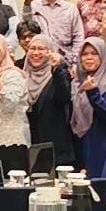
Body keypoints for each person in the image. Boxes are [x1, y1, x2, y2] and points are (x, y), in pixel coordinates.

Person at [72, 37, 106, 178]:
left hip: (103, 144)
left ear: (103, 56)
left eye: (94, 54)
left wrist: (93, 92)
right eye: (85, 54)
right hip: (82, 144)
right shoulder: (78, 82)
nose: (89, 58)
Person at [23, 33, 75, 165]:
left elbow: (64, 97)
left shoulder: (58, 74)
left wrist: (58, 68)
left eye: (41, 49)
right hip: (30, 147)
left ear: (50, 52)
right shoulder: (22, 76)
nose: (36, 53)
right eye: (32, 48)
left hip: (55, 148)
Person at [22, 0, 83, 65]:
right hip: (39, 62)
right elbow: (26, 28)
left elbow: (78, 36)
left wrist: (75, 62)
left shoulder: (70, 8)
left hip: (65, 62)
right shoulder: (32, 6)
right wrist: (27, 4)